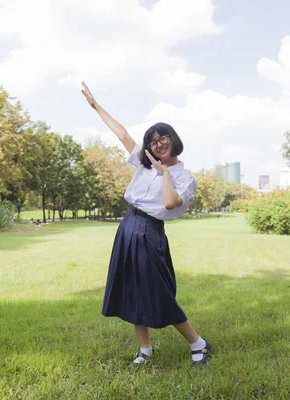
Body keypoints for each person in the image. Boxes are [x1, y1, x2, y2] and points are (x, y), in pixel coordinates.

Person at [81, 81, 213, 367]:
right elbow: (123, 134)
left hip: (150, 232)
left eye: (162, 137)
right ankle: (145, 349)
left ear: (173, 139)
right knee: (131, 289)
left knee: (158, 291)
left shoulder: (184, 178)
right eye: (153, 140)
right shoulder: (143, 163)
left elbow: (168, 204)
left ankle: (198, 344)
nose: (158, 143)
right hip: (128, 226)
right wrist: (95, 105)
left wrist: (164, 172)